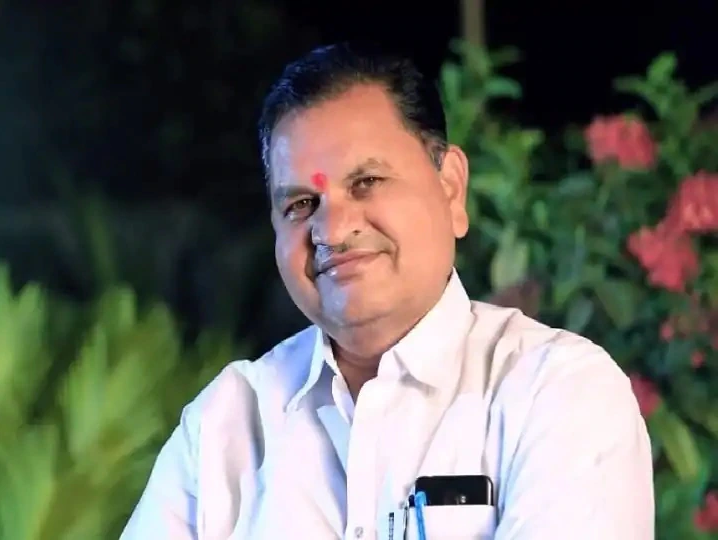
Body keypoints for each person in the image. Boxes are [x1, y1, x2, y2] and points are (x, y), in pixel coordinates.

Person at [121, 41, 654, 539]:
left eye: (366, 183)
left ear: (451, 187)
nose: (332, 230)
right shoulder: (227, 427)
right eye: (301, 204)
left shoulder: (556, 392)